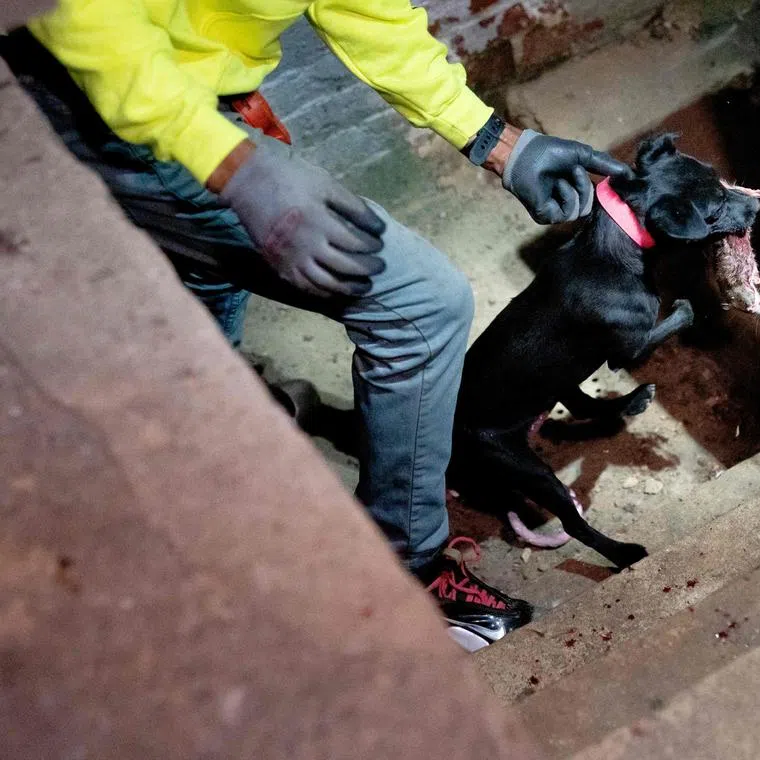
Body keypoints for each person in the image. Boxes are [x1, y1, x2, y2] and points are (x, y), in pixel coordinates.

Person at [0, 0, 632, 650]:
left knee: (208, 266)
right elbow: (81, 16)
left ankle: (211, 420)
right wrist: (228, 161)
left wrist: (492, 138)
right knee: (422, 304)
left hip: (190, 98)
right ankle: (406, 568)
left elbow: (359, 7)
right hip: (107, 97)